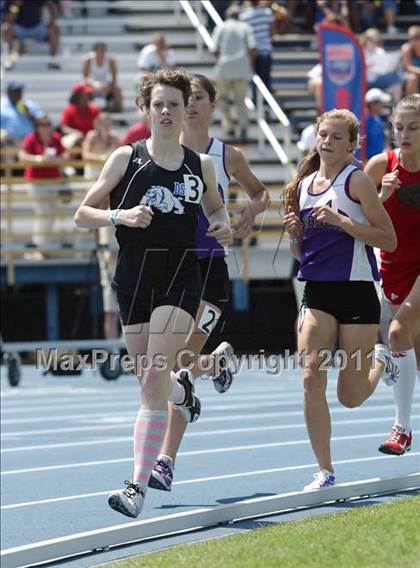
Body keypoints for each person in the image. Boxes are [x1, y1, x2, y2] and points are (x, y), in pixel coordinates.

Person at [74, 68, 232, 518]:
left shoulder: (198, 165)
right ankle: (185, 395)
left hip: (180, 277)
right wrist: (118, 218)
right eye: (158, 104)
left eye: (175, 105)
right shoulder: (126, 158)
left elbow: (216, 211)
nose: (166, 111)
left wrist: (221, 226)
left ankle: (135, 487)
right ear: (145, 109)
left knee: (150, 382)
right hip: (133, 279)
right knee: (155, 381)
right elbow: (83, 213)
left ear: (187, 111)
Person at [148, 74, 271, 492]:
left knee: (180, 365)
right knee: (168, 367)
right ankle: (217, 362)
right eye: (188, 98)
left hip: (210, 268)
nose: (193, 104)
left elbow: (260, 193)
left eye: (200, 97)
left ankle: (165, 461)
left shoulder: (226, 155)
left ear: (212, 105)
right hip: (169, 269)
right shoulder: (164, 154)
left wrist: (245, 216)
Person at [282, 108, 398, 490]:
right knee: (311, 374)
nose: (327, 142)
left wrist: (342, 222)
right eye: (323, 135)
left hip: (355, 291)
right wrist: (297, 236)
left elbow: (387, 238)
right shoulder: (301, 186)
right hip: (316, 289)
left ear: (351, 145)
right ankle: (325, 470)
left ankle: (380, 361)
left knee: (350, 396)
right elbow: (304, 254)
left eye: (336, 137)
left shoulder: (358, 181)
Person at [365, 94, 420, 456]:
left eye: (413, 127)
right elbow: (355, 217)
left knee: (398, 333)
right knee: (408, 348)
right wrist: (382, 197)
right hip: (393, 267)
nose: (404, 134)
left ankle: (401, 428)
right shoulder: (380, 165)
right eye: (399, 127)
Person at [82, 112, 120, 339]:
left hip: (129, 274)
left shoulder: (120, 213)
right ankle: (112, 353)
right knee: (111, 310)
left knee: (128, 312)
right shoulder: (104, 215)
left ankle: (129, 355)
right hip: (111, 267)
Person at [19, 114, 68, 254]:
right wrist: (38, 159)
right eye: (44, 125)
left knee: (51, 214)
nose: (47, 128)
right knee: (44, 213)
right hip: (36, 182)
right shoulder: (31, 138)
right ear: (38, 127)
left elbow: (66, 154)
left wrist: (56, 159)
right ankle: (41, 247)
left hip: (53, 181)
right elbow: (22, 156)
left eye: (48, 125)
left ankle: (43, 247)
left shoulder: (56, 138)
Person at [211, 4, 256, 141]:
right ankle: (243, 127)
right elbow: (253, 47)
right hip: (242, 68)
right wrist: (248, 62)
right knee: (241, 100)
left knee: (223, 99)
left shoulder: (221, 27)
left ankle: (229, 126)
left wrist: (221, 61)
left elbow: (214, 49)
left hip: (224, 68)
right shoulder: (245, 27)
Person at [2, 0, 60, 69]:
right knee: (6, 31)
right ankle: (8, 60)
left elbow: (51, 6)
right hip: (19, 28)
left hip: (36, 28)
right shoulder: (12, 2)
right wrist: (16, 6)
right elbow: (9, 20)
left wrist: (52, 21)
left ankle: (53, 60)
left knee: (54, 30)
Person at [239, 0, 274, 98]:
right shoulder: (267, 13)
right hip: (265, 50)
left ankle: (256, 103)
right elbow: (272, 31)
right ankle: (263, 104)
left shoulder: (244, 16)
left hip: (250, 52)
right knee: (265, 80)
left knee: (254, 80)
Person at [361, 28, 402, 103]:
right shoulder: (360, 51)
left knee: (395, 76)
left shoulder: (380, 51)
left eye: (375, 41)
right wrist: (366, 66)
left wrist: (393, 66)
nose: (373, 43)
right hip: (364, 80)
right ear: (366, 40)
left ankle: (397, 104)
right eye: (371, 40)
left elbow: (386, 66)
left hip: (378, 78)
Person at [82, 42, 123, 112]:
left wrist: (108, 86)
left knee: (117, 90)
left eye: (103, 51)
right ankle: (84, 111)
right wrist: (95, 84)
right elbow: (85, 79)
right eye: (99, 50)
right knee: (82, 91)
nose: (101, 53)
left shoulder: (111, 60)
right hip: (92, 85)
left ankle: (118, 110)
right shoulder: (88, 60)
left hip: (106, 85)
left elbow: (114, 78)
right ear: (94, 51)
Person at [0, 81, 43, 148]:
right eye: (15, 91)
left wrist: (29, 114)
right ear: (8, 92)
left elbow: (42, 122)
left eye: (20, 91)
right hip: (8, 141)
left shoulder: (29, 105)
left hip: (28, 140)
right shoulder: (2, 106)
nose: (18, 93)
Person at [60, 84, 100, 151]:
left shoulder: (94, 110)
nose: (86, 97)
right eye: (83, 95)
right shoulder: (69, 110)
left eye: (87, 95)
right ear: (77, 96)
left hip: (92, 139)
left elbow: (100, 126)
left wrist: (90, 136)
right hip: (76, 140)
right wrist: (77, 133)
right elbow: (64, 128)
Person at [365, 88, 391, 161]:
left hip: (379, 160)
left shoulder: (378, 119)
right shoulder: (364, 121)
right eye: (381, 102)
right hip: (367, 162)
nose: (383, 105)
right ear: (372, 104)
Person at [401, 25, 420, 96]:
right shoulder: (406, 49)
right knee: (413, 78)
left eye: (417, 37)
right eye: (411, 38)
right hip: (406, 75)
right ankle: (411, 104)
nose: (413, 40)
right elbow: (407, 67)